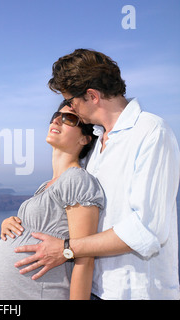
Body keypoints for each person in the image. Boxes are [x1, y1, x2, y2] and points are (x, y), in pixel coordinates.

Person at [14, 49, 180, 300]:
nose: (69, 107)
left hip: (136, 293)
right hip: (96, 290)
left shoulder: (150, 132)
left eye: (71, 100)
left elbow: (147, 229)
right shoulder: (98, 145)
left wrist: (67, 250)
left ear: (91, 96)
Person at [0, 101, 105, 300]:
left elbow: (85, 260)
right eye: (55, 116)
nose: (57, 120)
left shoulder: (77, 179)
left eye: (69, 118)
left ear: (85, 138)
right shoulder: (46, 185)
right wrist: (11, 224)